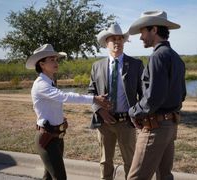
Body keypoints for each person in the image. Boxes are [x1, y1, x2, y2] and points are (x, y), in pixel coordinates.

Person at [26, 44, 110, 180]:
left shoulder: (49, 82)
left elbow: (53, 104)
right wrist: (94, 99)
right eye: (52, 59)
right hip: (47, 139)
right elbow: (65, 97)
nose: (56, 62)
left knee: (49, 177)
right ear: (42, 64)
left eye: (56, 59)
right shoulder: (41, 84)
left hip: (56, 136)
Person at [126, 11, 186, 180]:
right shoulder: (175, 57)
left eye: (142, 32)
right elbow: (182, 94)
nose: (140, 37)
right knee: (164, 176)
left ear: (153, 29)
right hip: (170, 126)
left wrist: (133, 112)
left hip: (155, 127)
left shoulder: (157, 57)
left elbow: (153, 97)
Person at [88, 23, 144, 180]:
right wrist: (100, 110)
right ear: (107, 42)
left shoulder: (135, 65)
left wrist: (136, 114)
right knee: (105, 161)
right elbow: (91, 92)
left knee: (131, 162)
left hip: (126, 122)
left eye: (120, 39)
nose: (117, 42)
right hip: (104, 123)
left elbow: (143, 95)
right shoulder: (96, 66)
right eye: (113, 39)